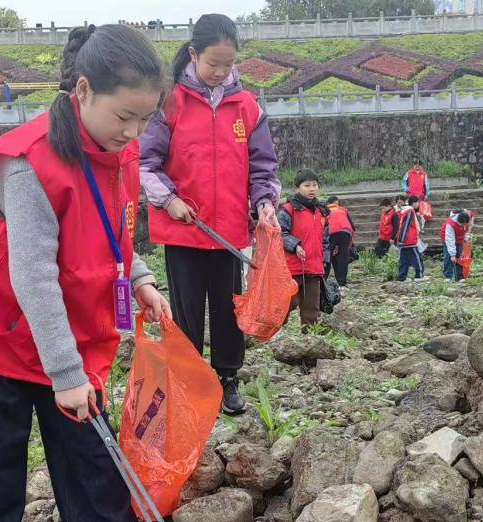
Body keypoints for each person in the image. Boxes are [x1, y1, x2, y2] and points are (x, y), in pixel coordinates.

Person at [0, 25, 170, 522]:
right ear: (83, 91)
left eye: (145, 119)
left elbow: (110, 221)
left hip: (70, 317)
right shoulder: (29, 164)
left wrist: (137, 275)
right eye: (124, 116)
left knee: (88, 437)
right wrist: (64, 373)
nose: (134, 132)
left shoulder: (118, 148)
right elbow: (32, 275)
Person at [140, 13, 281, 416]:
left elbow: (263, 167)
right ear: (192, 54)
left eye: (228, 64)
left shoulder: (247, 107)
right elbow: (144, 163)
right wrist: (170, 200)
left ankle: (227, 378)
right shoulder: (170, 102)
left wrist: (264, 204)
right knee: (185, 311)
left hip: (228, 232)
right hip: (185, 228)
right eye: (212, 64)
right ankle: (186, 382)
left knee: (227, 308)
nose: (220, 72)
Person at [278, 170, 328, 328]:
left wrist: (325, 258)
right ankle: (272, 333)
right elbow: (280, 233)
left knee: (311, 308)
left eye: (314, 185)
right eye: (307, 185)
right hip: (292, 267)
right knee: (286, 304)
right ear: (297, 188)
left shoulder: (322, 211)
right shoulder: (288, 210)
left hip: (314, 267)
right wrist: (296, 245)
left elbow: (325, 238)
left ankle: (311, 339)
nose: (312, 188)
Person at [325, 195, 356, 292]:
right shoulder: (343, 210)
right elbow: (352, 226)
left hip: (331, 233)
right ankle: (342, 283)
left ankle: (323, 282)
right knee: (343, 258)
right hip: (345, 232)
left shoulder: (324, 211)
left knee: (328, 257)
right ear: (335, 203)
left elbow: (322, 226)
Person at [395, 195, 424, 282]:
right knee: (417, 258)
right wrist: (402, 239)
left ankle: (402, 276)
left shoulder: (401, 211)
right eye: (418, 202)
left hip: (402, 240)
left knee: (404, 260)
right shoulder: (409, 211)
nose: (418, 204)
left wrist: (399, 239)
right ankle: (419, 275)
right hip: (409, 240)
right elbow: (406, 226)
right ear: (414, 203)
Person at [441, 208, 473, 282]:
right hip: (448, 238)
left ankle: (459, 276)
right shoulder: (450, 224)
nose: (464, 226)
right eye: (462, 224)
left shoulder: (467, 218)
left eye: (465, 224)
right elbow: (450, 239)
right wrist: (452, 254)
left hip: (459, 238)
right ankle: (448, 276)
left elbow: (466, 230)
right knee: (449, 257)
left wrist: (466, 237)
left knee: (460, 257)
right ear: (459, 221)